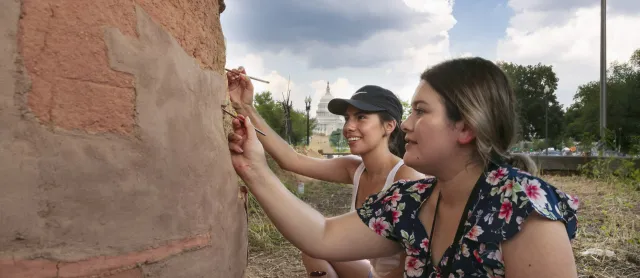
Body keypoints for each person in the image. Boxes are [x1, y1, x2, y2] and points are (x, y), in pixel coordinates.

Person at [227, 57, 580, 278]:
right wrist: (252, 167)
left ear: (466, 126)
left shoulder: (522, 210)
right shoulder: (410, 201)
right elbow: (321, 236)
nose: (408, 124)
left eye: (420, 111)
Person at [226, 67, 425, 277]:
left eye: (361, 117)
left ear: (389, 126)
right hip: (373, 272)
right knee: (313, 253)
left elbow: (412, 264)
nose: (349, 126)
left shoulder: (408, 178)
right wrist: (244, 106)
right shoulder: (354, 168)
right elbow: (291, 160)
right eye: (348, 118)